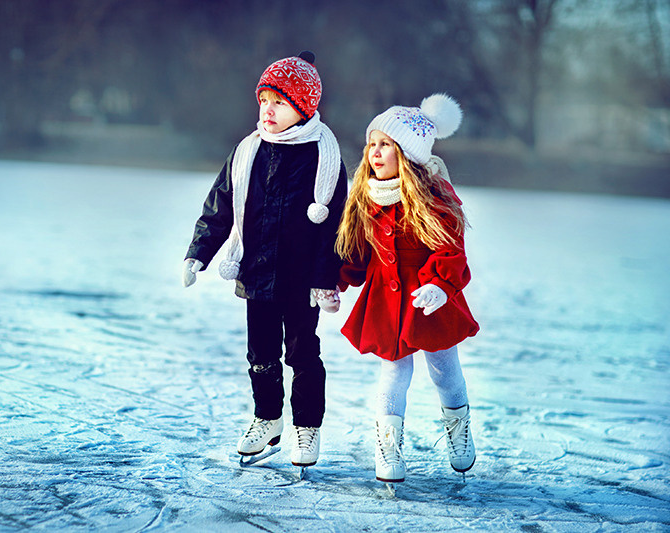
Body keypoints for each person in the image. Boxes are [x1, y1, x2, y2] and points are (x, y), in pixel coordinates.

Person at [182, 51, 347, 469]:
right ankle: (267, 418)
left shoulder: (324, 160)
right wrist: (198, 253)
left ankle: (306, 428)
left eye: (280, 102)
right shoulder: (247, 152)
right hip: (257, 272)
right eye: (263, 101)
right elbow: (220, 204)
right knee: (260, 353)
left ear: (303, 107)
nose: (268, 110)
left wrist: (325, 279)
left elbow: (336, 228)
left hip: (303, 277)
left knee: (303, 354)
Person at [335, 94, 479, 484]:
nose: (375, 152)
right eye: (372, 144)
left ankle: (459, 429)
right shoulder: (366, 195)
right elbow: (356, 252)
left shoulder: (436, 196)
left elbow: (452, 249)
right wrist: (334, 282)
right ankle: (388, 448)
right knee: (394, 371)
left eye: (386, 145)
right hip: (386, 297)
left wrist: (438, 285)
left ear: (408, 153)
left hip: (430, 297)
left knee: (443, 368)